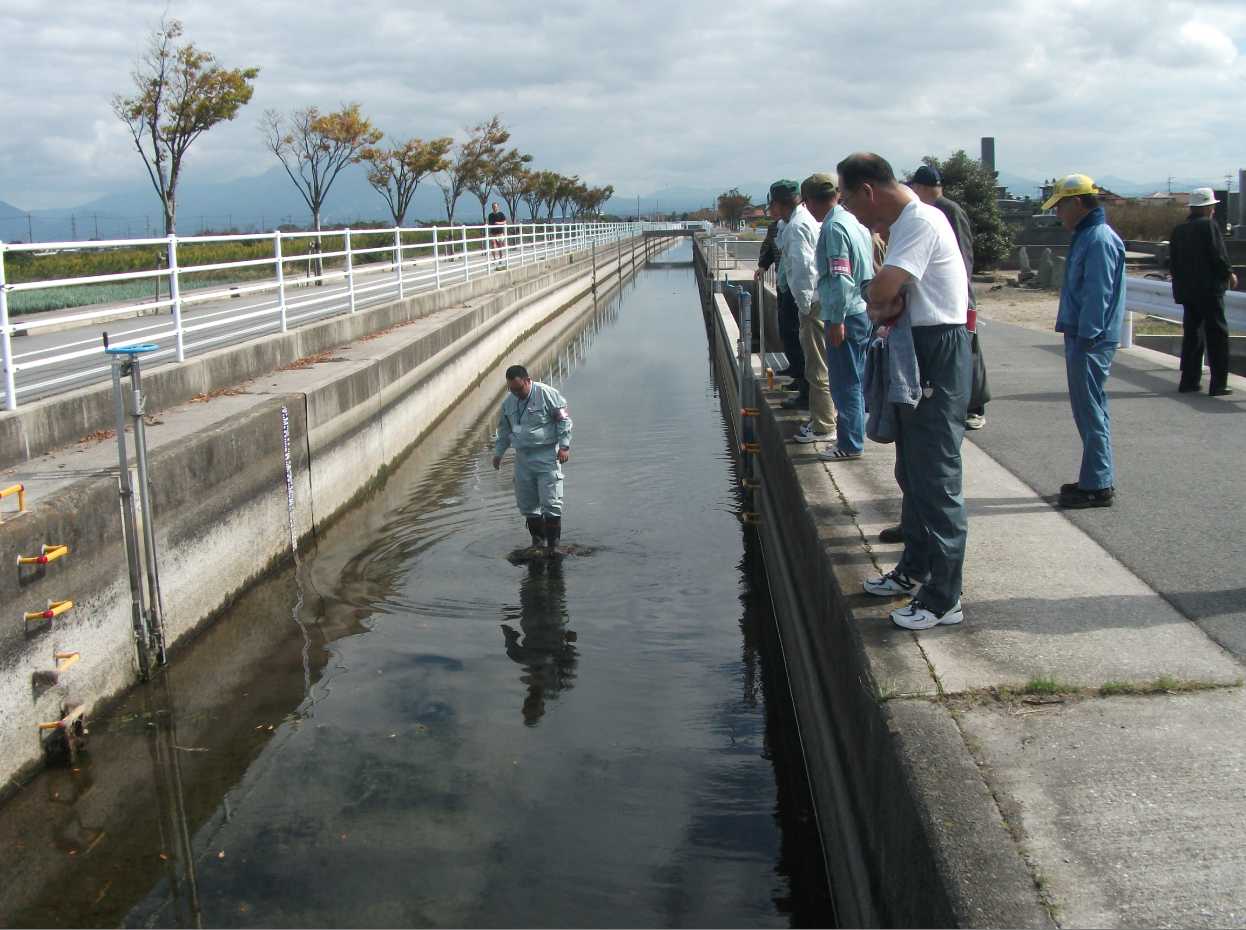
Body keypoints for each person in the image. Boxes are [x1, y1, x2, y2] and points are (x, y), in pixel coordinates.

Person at [837, 152, 971, 631]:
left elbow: (882, 290)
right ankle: (913, 570)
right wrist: (884, 298)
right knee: (912, 471)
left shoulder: (919, 221)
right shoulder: (908, 223)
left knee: (936, 477)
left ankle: (943, 598)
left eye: (851, 202)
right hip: (919, 347)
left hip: (936, 350)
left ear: (867, 191)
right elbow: (883, 298)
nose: (853, 213)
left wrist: (883, 295)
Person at [1041, 174, 1126, 509]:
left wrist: (1087, 337)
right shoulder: (1089, 235)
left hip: (1090, 338)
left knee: (1090, 411)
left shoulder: (1099, 239)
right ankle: (1094, 477)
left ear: (1077, 202)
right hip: (1084, 335)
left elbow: (1098, 294)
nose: (1058, 214)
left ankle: (1098, 484)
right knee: (1089, 410)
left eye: (1060, 206)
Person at [910, 165, 991, 430]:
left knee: (969, 348)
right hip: (945, 295)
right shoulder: (930, 211)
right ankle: (960, 404)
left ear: (921, 187)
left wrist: (963, 293)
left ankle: (975, 407)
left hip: (959, 294)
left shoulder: (948, 210)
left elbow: (963, 254)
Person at [803, 172, 874, 460]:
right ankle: (853, 437)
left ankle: (849, 444)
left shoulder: (833, 229)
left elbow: (839, 278)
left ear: (810, 202)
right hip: (862, 309)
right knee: (856, 379)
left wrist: (836, 319)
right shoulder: (853, 221)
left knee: (845, 384)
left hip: (845, 314)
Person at [772, 179, 836, 443]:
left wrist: (804, 305)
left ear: (779, 203)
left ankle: (823, 424)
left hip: (813, 303)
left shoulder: (797, 226)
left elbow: (803, 270)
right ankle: (824, 417)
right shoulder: (801, 221)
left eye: (772, 204)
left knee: (817, 366)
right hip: (820, 300)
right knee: (821, 364)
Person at [492, 365, 573, 551]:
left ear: (528, 380)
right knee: (527, 503)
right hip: (522, 459)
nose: (516, 393)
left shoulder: (546, 394)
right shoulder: (509, 403)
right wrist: (498, 453)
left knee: (550, 502)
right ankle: (537, 543)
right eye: (512, 389)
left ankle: (553, 546)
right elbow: (504, 430)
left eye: (519, 388)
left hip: (546, 456)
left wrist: (564, 446)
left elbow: (563, 420)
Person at [1169, 187, 1238, 396]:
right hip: (1209, 290)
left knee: (1192, 335)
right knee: (1217, 335)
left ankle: (1188, 381)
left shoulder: (1179, 230)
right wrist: (1229, 274)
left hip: (1187, 291)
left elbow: (1173, 263)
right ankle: (1218, 384)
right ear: (1208, 207)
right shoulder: (1209, 225)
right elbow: (1218, 254)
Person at [758, 193, 805, 389]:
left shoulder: (797, 225)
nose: (770, 211)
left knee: (795, 331)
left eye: (772, 207)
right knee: (786, 329)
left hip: (797, 289)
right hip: (784, 283)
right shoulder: (775, 227)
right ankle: (794, 368)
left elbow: (805, 265)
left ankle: (801, 376)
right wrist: (762, 266)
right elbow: (768, 249)